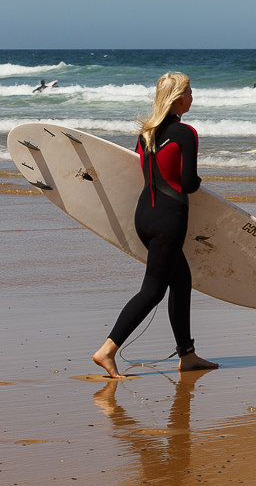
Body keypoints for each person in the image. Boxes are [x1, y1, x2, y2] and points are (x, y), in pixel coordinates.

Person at [92, 72, 219, 379]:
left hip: (144, 216)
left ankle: (186, 355)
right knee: (153, 290)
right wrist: (200, 182)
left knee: (181, 281)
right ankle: (107, 350)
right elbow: (188, 184)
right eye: (189, 92)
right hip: (168, 218)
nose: (193, 97)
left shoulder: (145, 133)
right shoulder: (186, 133)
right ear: (178, 99)